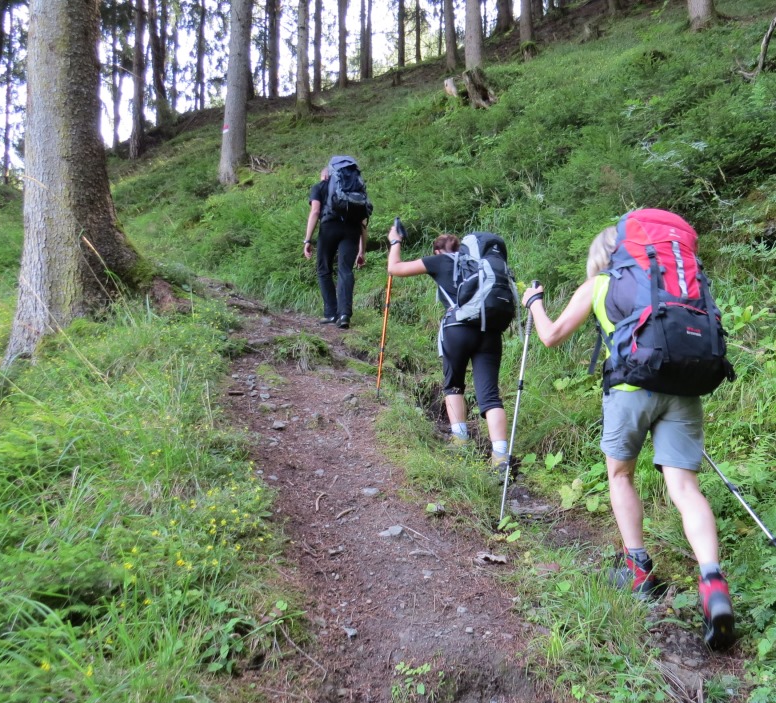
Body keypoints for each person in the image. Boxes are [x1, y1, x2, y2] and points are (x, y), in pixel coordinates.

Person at [520, 226, 735, 650]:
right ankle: (712, 581)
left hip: (630, 391)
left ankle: (638, 569)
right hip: (683, 387)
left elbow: (550, 336)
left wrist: (534, 304)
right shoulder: (675, 285)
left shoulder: (601, 284)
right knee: (685, 487)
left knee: (621, 476)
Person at [386, 222, 511, 477]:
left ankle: (461, 440)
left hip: (457, 329)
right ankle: (500, 456)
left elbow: (394, 268)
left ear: (438, 250)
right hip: (490, 331)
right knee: (490, 395)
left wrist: (395, 241)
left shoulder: (440, 261)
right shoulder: (481, 266)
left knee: (454, 384)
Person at [303, 165, 367, 329]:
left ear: (325, 175)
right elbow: (363, 223)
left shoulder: (320, 187)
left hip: (329, 228)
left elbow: (315, 211)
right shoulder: (355, 191)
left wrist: (307, 240)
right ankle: (344, 314)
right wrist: (362, 250)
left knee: (324, 269)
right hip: (352, 230)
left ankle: (331, 313)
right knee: (345, 270)